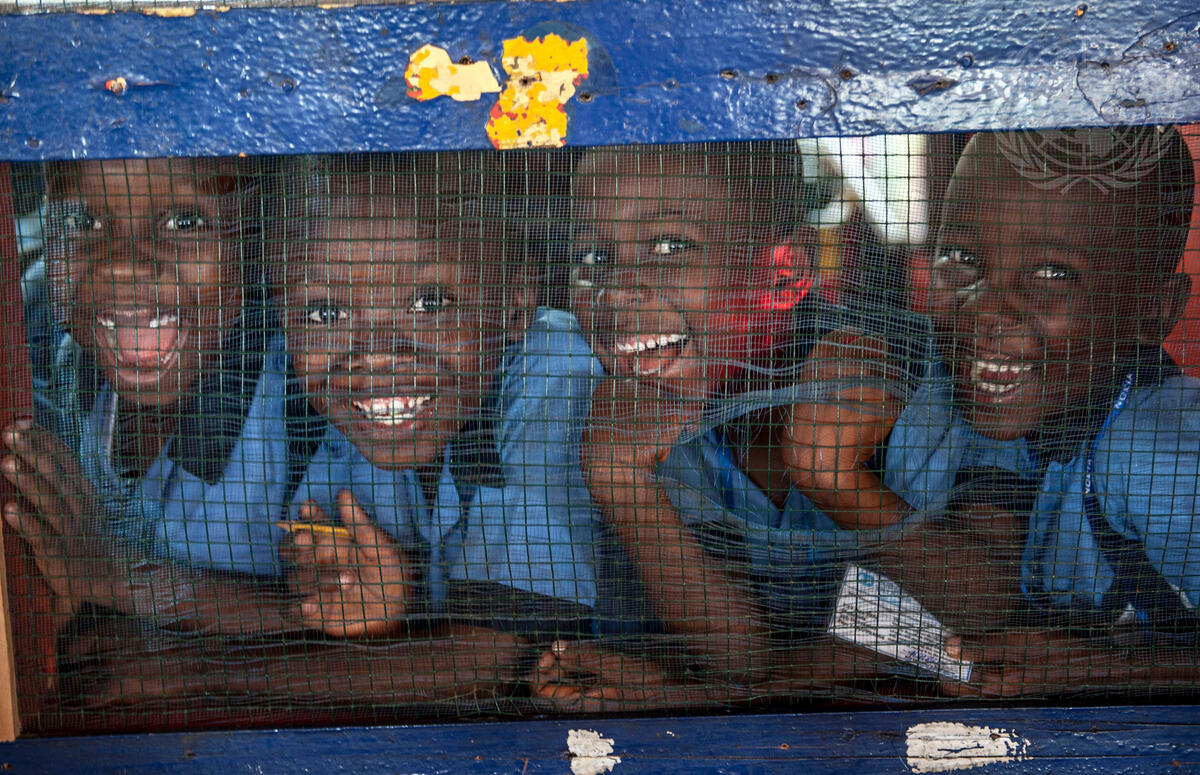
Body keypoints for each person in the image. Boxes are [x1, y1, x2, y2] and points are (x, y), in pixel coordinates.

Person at [94, 153, 605, 707]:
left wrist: (188, 673)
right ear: (279, 309)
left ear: (513, 304)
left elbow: (496, 656)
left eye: (429, 303)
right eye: (324, 314)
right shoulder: (291, 396)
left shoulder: (556, 371)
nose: (377, 355)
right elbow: (331, 611)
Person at [531, 142, 914, 710]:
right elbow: (737, 658)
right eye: (591, 258)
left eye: (670, 246)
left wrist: (832, 475)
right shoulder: (612, 407)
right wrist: (618, 480)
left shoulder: (894, 375)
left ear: (786, 273)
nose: (615, 291)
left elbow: (964, 614)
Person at [839, 127, 1198, 697]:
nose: (987, 310)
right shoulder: (977, 399)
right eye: (960, 259)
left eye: (1052, 275)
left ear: (1152, 312)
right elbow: (947, 617)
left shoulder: (1162, 457)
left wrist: (1096, 667)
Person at [2, 157, 300, 638]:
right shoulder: (37, 344)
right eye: (82, 222)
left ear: (255, 240)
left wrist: (117, 580)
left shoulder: (308, 403)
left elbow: (363, 620)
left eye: (186, 222)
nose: (123, 264)